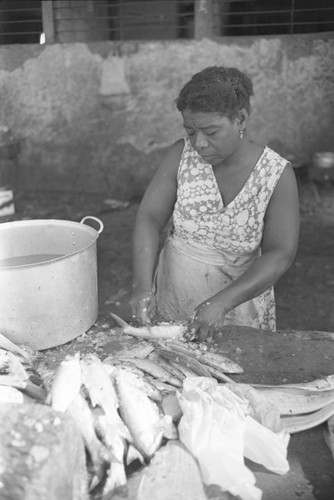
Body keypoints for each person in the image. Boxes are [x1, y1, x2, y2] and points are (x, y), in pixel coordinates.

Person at [130, 66, 300, 341]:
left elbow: (280, 253)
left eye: (211, 132)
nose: (199, 143)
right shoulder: (180, 156)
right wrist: (141, 286)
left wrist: (222, 302)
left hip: (240, 301)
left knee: (231, 371)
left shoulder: (276, 175)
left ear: (241, 119)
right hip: (177, 288)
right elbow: (150, 217)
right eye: (190, 131)